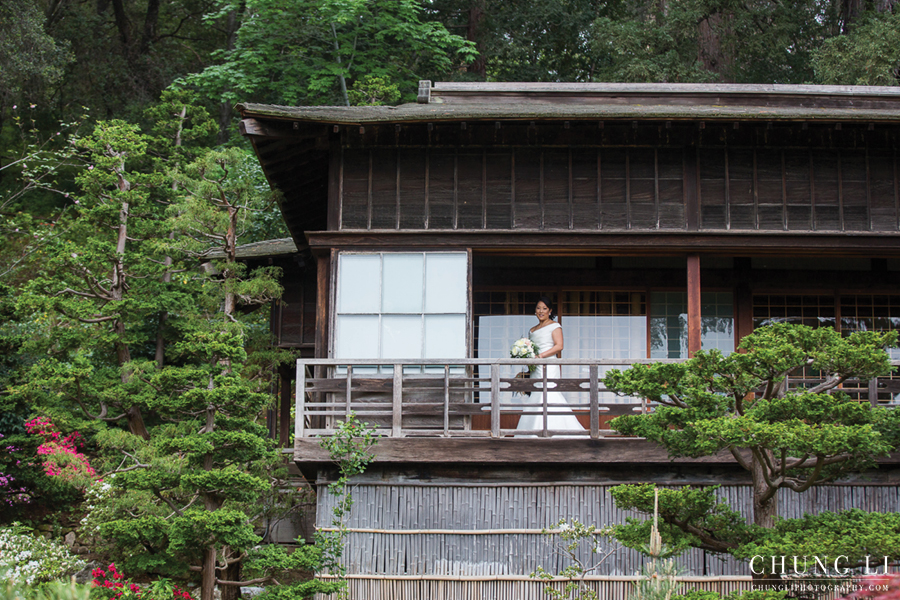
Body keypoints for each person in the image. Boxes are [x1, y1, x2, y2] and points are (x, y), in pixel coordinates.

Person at [515, 297, 585, 436]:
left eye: (544, 308)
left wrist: (541, 356)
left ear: (550, 311)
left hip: (548, 365)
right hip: (536, 367)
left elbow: (559, 346)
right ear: (535, 311)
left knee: (549, 394)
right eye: (538, 308)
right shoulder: (532, 330)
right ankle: (532, 431)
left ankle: (553, 430)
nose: (541, 311)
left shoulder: (555, 326)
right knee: (536, 393)